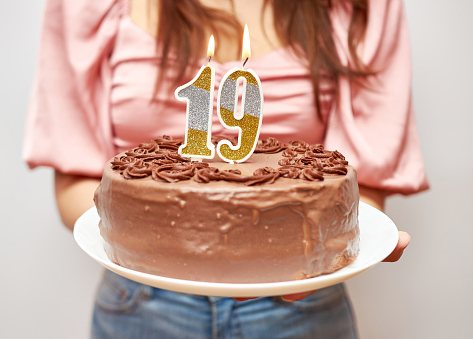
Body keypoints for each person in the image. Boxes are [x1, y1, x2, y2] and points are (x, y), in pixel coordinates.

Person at [23, 0, 429, 338]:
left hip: (301, 308)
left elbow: (362, 187)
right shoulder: (88, 6)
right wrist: (182, 241)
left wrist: (338, 249)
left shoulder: (362, 6)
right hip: (141, 303)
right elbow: (74, 185)